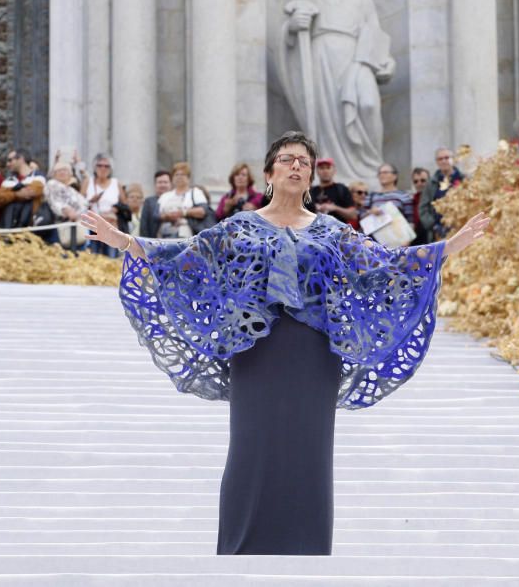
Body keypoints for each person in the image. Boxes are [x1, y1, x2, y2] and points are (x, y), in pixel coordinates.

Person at [79, 130, 490, 556]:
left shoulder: (333, 232)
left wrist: (448, 247)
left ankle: (308, 547)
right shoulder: (239, 227)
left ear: (311, 177)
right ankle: (240, 546)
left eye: (305, 163)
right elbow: (184, 256)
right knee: (250, 447)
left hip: (315, 355)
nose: (297, 166)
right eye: (288, 159)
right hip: (257, 352)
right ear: (269, 173)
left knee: (309, 450)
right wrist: (124, 242)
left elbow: (386, 265)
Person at [277, 0, 396, 183]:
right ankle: (326, 168)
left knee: (368, 104)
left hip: (357, 57)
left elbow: (376, 35)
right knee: (325, 112)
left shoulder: (363, 1)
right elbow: (291, 38)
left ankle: (369, 166)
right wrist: (292, 26)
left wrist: (386, 61)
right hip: (320, 56)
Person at [81, 153, 126, 256]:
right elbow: (79, 203)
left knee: (111, 257)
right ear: (94, 167)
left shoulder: (116, 183)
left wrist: (115, 208)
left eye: (106, 166)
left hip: (111, 225)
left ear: (111, 169)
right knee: (93, 256)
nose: (103, 168)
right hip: (92, 226)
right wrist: (91, 201)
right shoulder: (88, 182)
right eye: (100, 165)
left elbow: (124, 204)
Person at [419, 148, 466, 241]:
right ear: (437, 162)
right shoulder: (431, 183)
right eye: (440, 159)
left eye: (447, 158)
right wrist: (433, 225)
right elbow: (423, 208)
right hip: (438, 233)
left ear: (453, 159)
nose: (444, 161)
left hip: (461, 229)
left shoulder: (464, 179)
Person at [0, 149, 45, 229]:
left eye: (10, 160)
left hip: (32, 226)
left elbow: (33, 192)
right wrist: (16, 194)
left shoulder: (38, 176)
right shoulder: (9, 180)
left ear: (20, 159)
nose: (8, 164)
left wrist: (10, 194)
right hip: (10, 225)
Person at [157, 162, 209, 238]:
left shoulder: (196, 192)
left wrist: (183, 213)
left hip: (185, 235)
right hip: (164, 235)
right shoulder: (165, 196)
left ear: (188, 178)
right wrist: (168, 216)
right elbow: (156, 215)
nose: (179, 177)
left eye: (182, 174)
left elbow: (202, 211)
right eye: (176, 174)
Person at [45, 162, 88, 247]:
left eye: (65, 170)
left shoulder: (72, 190)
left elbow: (84, 204)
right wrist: (66, 210)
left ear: (70, 174)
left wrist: (78, 215)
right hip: (60, 226)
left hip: (78, 226)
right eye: (58, 170)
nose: (62, 172)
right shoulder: (52, 184)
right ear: (54, 174)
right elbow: (55, 202)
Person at [309, 157, 357, 223]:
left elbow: (353, 215)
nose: (325, 171)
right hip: (315, 231)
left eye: (328, 168)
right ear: (317, 171)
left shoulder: (342, 189)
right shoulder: (311, 192)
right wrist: (315, 209)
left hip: (338, 231)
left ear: (334, 170)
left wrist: (335, 208)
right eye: (322, 168)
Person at [139, 170, 171, 239]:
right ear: (155, 184)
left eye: (165, 182)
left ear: (170, 184)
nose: (163, 185)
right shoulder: (149, 201)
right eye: (160, 182)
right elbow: (144, 225)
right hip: (155, 241)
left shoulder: (176, 199)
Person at [410, 167, 430, 245]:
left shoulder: (436, 199)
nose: (419, 183)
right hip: (415, 239)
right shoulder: (412, 200)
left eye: (423, 180)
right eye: (416, 181)